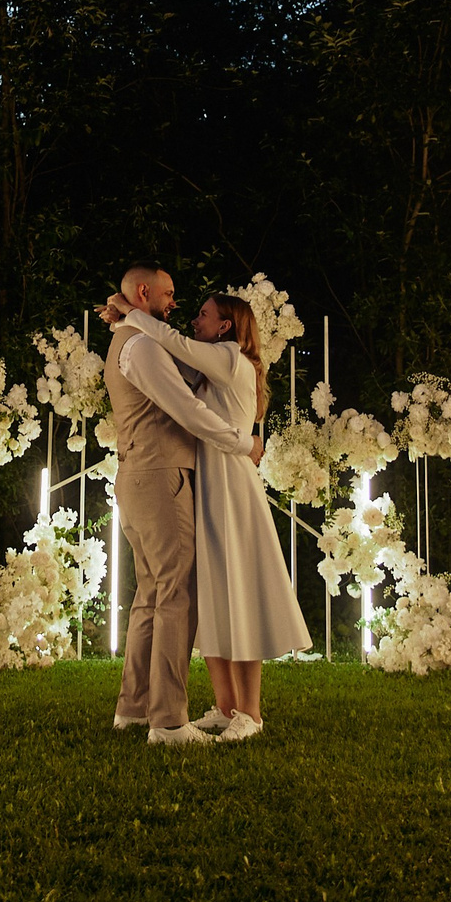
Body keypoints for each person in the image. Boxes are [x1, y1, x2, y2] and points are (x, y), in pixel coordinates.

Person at [101, 285, 310, 740]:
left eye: (203, 313)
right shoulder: (208, 364)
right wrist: (125, 317)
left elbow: (173, 345)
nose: (193, 320)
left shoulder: (231, 357)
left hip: (232, 484)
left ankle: (249, 714)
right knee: (213, 595)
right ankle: (224, 705)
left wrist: (129, 314)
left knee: (239, 593)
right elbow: (171, 363)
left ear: (226, 325)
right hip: (207, 482)